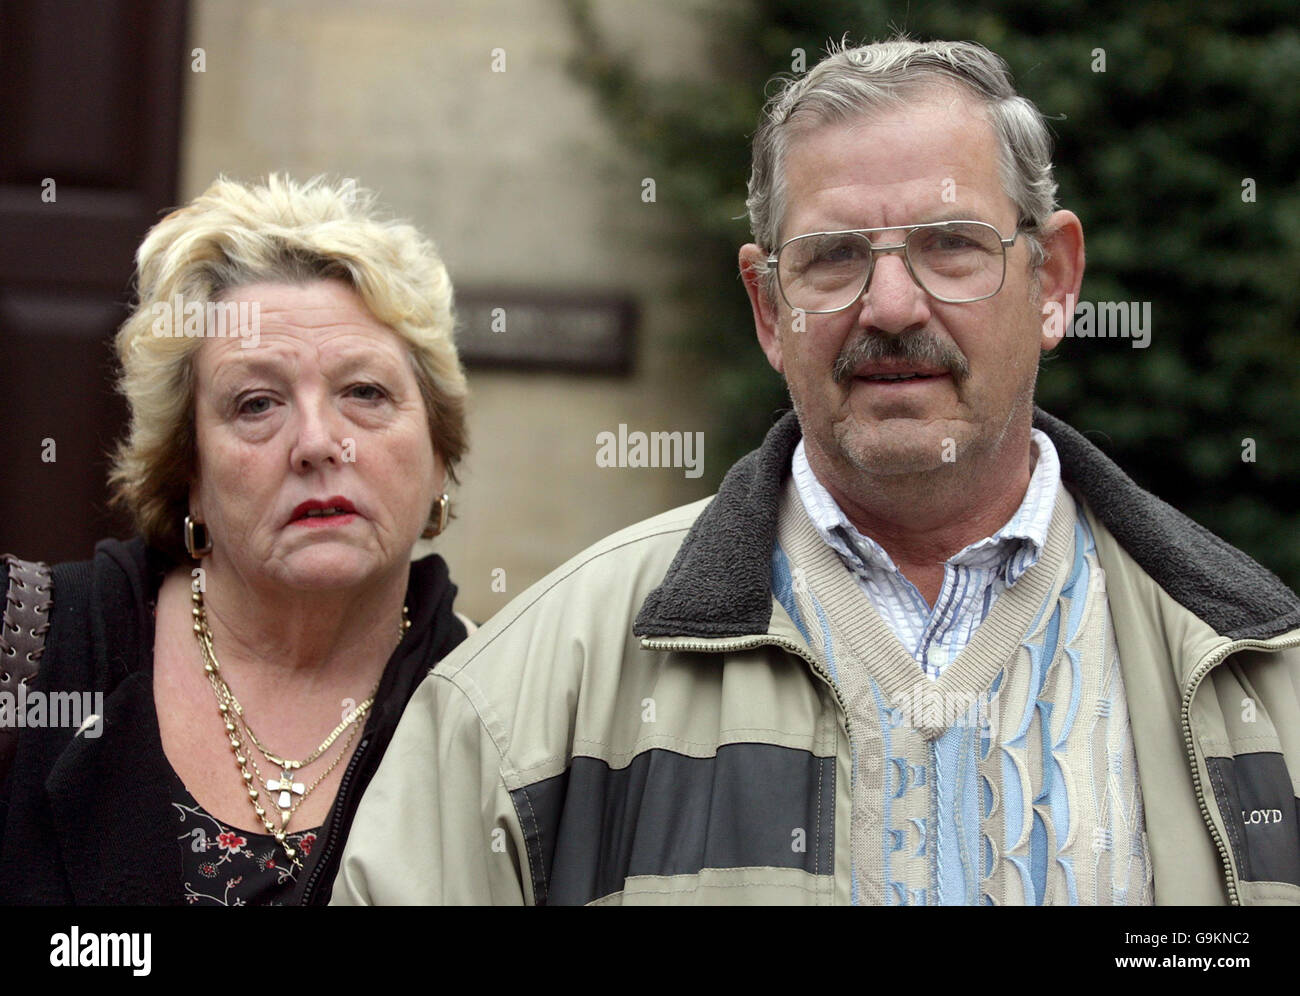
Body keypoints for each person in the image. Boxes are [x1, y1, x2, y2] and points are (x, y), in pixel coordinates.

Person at [332, 39, 1300, 906]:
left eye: (949, 247)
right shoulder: (538, 696)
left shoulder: (1258, 680)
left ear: (1051, 282)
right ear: (767, 308)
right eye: (832, 259)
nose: (888, 304)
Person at [0, 174, 473, 905]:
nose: (319, 443)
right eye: (257, 403)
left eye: (365, 393)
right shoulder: (28, 652)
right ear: (186, 468)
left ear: (439, 450)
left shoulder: (503, 711)